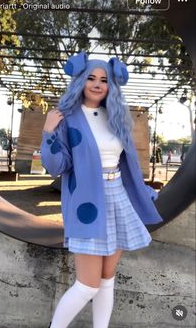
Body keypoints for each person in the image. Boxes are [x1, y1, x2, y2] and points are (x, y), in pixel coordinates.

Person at [41, 52, 163, 328]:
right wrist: (49, 133)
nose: (97, 84)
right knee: (87, 285)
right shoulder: (67, 117)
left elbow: (128, 163)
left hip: (118, 197)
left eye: (104, 80)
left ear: (111, 85)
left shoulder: (116, 116)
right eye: (91, 78)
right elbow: (57, 165)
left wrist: (141, 192)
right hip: (87, 203)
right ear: (81, 80)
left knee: (107, 280)